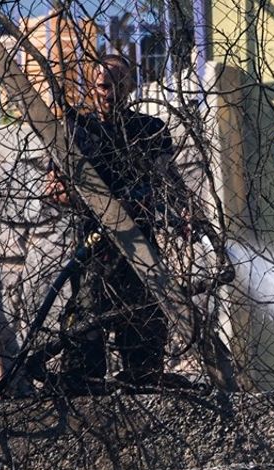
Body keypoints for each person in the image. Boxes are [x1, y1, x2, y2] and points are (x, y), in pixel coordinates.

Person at [42, 54, 232, 393]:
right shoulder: (77, 131)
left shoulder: (149, 131)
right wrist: (95, 203)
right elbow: (54, 190)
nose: (110, 94)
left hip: (142, 245)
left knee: (146, 321)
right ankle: (83, 383)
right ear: (91, 86)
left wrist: (186, 216)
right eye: (103, 86)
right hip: (95, 249)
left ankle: (142, 379)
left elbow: (168, 183)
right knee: (85, 322)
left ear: (130, 86)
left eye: (118, 86)